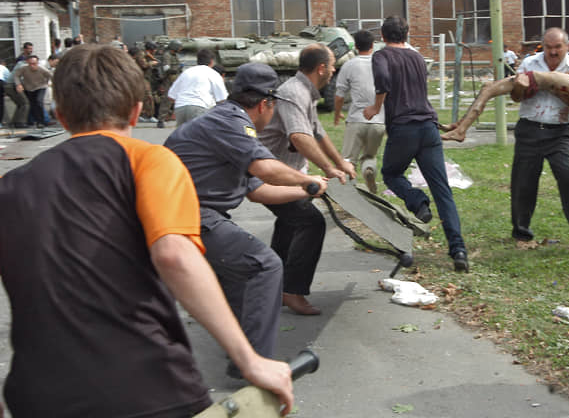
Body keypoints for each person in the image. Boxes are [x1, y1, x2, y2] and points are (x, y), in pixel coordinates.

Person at [0, 45, 295, 417]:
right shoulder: (151, 161)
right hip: (144, 382)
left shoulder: (10, 187)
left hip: (38, 393)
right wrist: (250, 360)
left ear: (60, 116)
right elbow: (174, 255)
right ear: (137, 111)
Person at [165, 62, 327, 374]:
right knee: (265, 265)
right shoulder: (231, 121)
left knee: (242, 275)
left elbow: (260, 191)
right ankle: (258, 364)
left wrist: (309, 191)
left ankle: (242, 355)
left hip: (186, 213)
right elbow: (266, 169)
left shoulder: (227, 124)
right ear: (266, 103)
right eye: (274, 107)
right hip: (187, 215)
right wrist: (304, 180)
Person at [363, 16, 469, 272]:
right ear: (406, 34)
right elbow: (419, 94)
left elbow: (384, 82)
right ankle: (458, 250)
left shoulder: (381, 56)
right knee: (443, 190)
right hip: (428, 129)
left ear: (383, 36)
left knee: (390, 173)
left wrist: (374, 108)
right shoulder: (418, 58)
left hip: (403, 128)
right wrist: (440, 125)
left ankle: (417, 202)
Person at [259, 44, 355, 315]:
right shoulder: (293, 92)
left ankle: (275, 288)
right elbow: (299, 137)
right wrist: (327, 167)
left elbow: (318, 132)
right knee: (310, 222)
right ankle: (293, 290)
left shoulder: (305, 93)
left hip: (284, 172)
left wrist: (340, 164)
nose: (334, 70)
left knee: (290, 223)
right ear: (321, 68)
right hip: (272, 173)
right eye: (333, 65)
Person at [510, 27, 569, 249]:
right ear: (543, 46)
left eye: (558, 47)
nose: (553, 52)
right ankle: (521, 232)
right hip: (529, 129)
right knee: (523, 182)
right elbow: (515, 97)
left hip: (559, 133)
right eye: (549, 47)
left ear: (567, 47)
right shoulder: (529, 64)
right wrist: (519, 87)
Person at [440, 69, 569, 142]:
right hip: (536, 84)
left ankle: (461, 131)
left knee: (487, 91)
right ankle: (460, 125)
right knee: (487, 89)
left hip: (532, 80)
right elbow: (568, 79)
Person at [333, 29, 386, 193]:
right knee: (369, 156)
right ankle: (369, 170)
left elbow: (339, 95)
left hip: (356, 119)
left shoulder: (349, 65)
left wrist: (337, 114)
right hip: (378, 121)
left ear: (355, 46)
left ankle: (348, 195)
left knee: (348, 160)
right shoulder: (381, 64)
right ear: (373, 45)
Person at [167, 48, 228, 126]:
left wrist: (185, 102)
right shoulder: (213, 74)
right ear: (212, 61)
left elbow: (171, 96)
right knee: (199, 136)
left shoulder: (186, 72)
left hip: (180, 108)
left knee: (183, 136)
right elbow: (222, 99)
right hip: (199, 108)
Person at [14, 54, 52, 128]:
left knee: (39, 101)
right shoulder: (24, 68)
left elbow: (51, 76)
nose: (32, 66)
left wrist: (49, 82)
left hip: (41, 86)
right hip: (29, 88)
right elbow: (16, 75)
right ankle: (37, 121)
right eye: (30, 64)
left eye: (34, 64)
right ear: (27, 63)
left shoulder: (42, 69)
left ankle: (42, 121)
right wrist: (18, 84)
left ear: (37, 63)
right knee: (33, 104)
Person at [157, 39, 182, 128]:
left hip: (176, 80)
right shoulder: (167, 55)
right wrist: (175, 70)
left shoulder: (175, 55)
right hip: (168, 80)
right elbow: (166, 69)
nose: (180, 49)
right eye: (179, 47)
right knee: (167, 100)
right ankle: (161, 120)